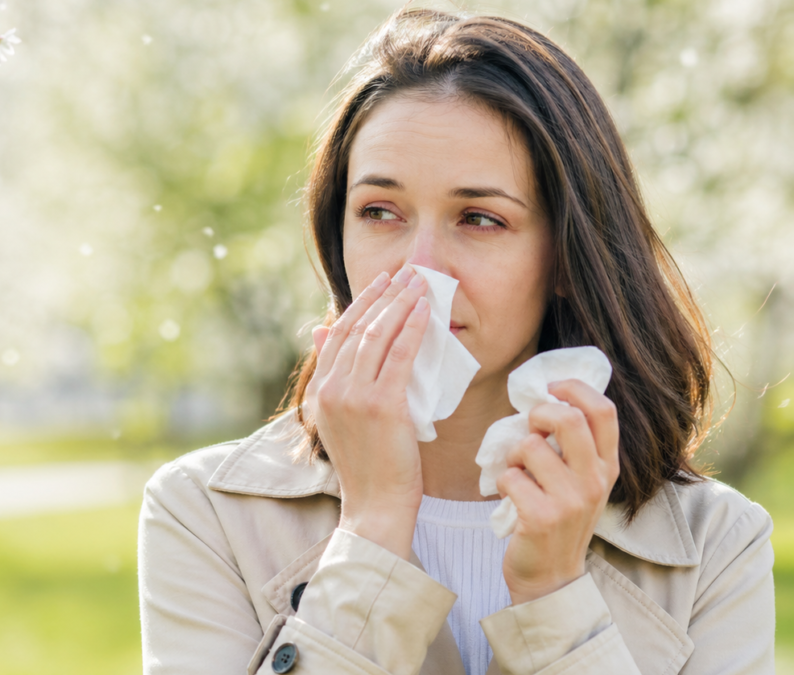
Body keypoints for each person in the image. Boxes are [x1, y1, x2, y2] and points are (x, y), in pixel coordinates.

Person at [137, 8, 775, 675]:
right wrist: (373, 531)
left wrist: (554, 595)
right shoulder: (204, 512)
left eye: (479, 218)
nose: (420, 268)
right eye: (380, 211)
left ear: (563, 257)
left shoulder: (716, 546)